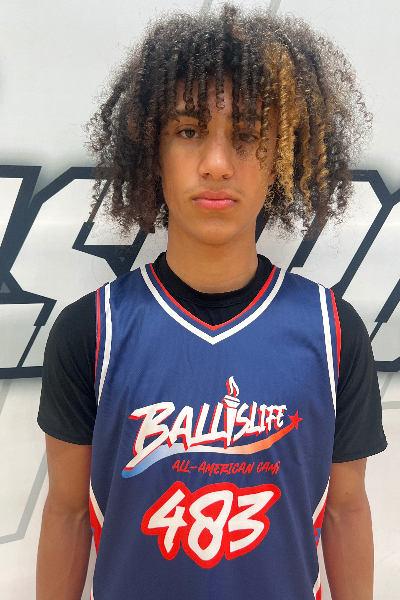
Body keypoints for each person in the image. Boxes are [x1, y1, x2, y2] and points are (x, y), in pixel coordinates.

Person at [36, 4, 387, 600]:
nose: (217, 164)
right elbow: (68, 514)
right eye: (189, 131)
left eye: (246, 134)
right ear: (152, 151)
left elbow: (346, 511)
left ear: (283, 157)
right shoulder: (90, 331)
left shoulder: (333, 331)